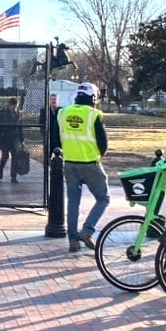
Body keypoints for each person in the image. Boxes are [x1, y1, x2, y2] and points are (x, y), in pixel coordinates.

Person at [57, 82, 109, 252]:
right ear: (93, 97)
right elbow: (103, 143)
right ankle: (87, 231)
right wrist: (97, 156)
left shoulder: (63, 112)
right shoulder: (94, 115)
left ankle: (73, 240)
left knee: (73, 202)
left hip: (69, 163)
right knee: (103, 198)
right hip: (90, 164)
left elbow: (60, 136)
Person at [0, 97, 24, 183]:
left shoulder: (17, 114)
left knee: (15, 157)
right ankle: (1, 168)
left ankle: (13, 177)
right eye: (13, 106)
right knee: (5, 156)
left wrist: (21, 140)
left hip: (14, 139)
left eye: (15, 106)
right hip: (5, 138)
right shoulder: (2, 113)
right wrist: (2, 132)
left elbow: (20, 128)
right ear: (10, 105)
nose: (14, 108)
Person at [39, 93, 61, 159]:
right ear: (49, 100)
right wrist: (45, 134)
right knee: (47, 156)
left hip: (58, 138)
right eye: (52, 99)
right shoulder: (44, 110)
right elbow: (41, 124)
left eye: (55, 99)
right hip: (48, 137)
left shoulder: (60, 110)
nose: (54, 101)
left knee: (59, 156)